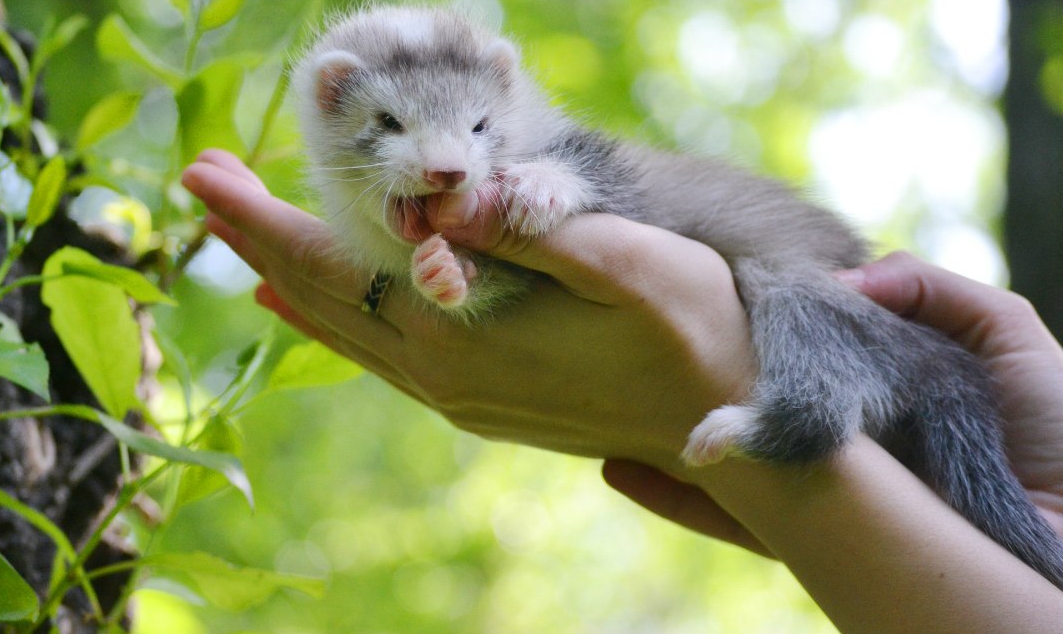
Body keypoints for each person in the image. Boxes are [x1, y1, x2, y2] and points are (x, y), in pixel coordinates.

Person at [181, 148, 1063, 634]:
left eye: (475, 127)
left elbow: (598, 200)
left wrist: (705, 388)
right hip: (909, 402)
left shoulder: (538, 155)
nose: (445, 158)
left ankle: (802, 419)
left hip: (864, 343)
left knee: (785, 288)